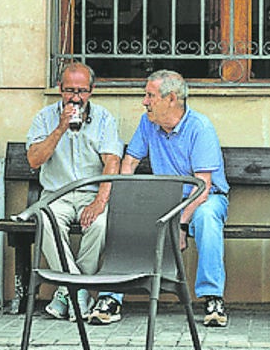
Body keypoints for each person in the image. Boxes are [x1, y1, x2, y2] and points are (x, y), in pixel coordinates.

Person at [88, 70, 230, 328]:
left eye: (150, 95)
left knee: (208, 219)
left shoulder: (200, 128)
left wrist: (181, 226)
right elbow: (130, 161)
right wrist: (125, 200)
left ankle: (213, 298)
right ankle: (111, 297)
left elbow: (204, 187)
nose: (145, 101)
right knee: (126, 219)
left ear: (171, 99)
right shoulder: (148, 123)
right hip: (165, 197)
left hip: (203, 199)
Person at [25, 61, 123, 321]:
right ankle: (77, 290)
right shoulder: (44, 118)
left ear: (91, 90)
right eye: (70, 91)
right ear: (59, 89)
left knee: (100, 225)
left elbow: (112, 162)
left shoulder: (103, 118)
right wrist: (60, 128)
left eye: (81, 91)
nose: (76, 98)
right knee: (45, 220)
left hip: (91, 194)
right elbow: (34, 160)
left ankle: (65, 290)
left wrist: (100, 202)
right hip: (56, 195)